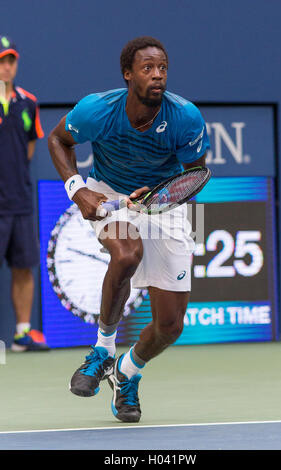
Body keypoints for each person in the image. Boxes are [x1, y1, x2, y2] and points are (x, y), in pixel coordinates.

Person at [48, 36, 210, 422]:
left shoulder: (185, 117)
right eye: (147, 68)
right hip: (108, 192)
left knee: (170, 326)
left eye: (163, 68)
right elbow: (57, 139)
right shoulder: (96, 110)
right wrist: (78, 189)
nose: (157, 76)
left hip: (161, 202)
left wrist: (161, 196)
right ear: (127, 74)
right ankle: (102, 351)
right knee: (126, 252)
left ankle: (127, 372)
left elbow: (194, 176)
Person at [0, 35, 49, 352]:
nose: (6, 67)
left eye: (10, 60)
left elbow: (29, 148)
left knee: (24, 266)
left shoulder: (28, 102)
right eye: (1, 61)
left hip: (19, 200)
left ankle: (22, 333)